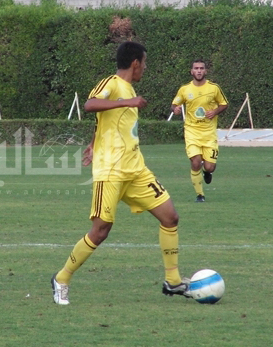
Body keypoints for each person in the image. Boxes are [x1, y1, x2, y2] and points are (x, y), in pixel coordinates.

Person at [51, 41, 190, 305]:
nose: (145, 69)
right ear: (135, 62)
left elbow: (105, 123)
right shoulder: (113, 83)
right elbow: (90, 105)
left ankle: (173, 281)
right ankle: (61, 278)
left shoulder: (128, 89)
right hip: (111, 170)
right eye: (144, 63)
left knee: (170, 216)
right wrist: (128, 102)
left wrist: (93, 143)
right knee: (101, 230)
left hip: (136, 169)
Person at [171, 59, 228, 202]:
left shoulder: (214, 88)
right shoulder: (185, 89)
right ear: (191, 71)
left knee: (210, 167)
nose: (199, 70)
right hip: (191, 132)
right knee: (195, 162)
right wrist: (176, 109)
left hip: (209, 134)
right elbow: (174, 104)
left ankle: (207, 172)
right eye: (196, 68)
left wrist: (215, 111)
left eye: (201, 68)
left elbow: (224, 104)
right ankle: (200, 195)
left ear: (205, 71)